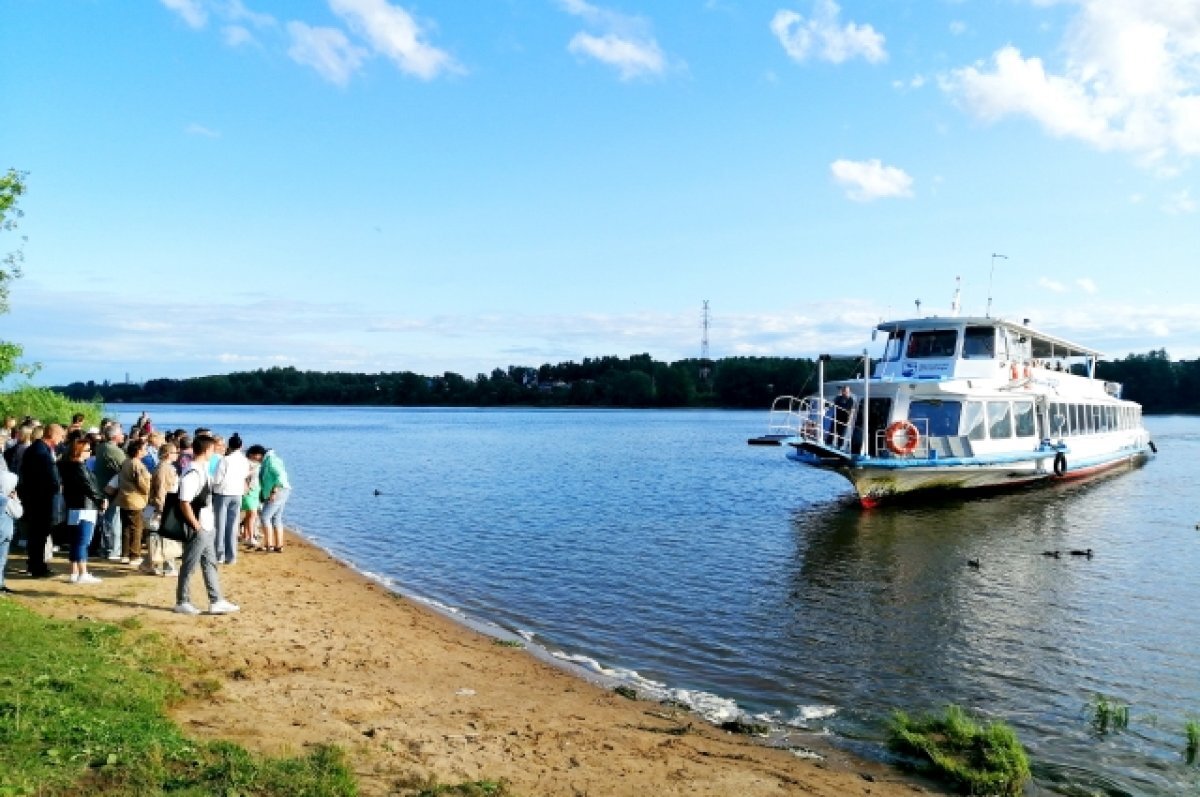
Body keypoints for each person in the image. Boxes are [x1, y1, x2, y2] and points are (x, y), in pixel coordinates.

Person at [173, 435, 239, 615]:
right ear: (207, 450)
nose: (216, 451)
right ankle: (182, 600)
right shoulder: (192, 472)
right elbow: (184, 502)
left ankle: (216, 600)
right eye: (214, 448)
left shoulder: (201, 469)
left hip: (207, 525)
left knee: (210, 563)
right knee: (189, 564)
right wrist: (196, 526)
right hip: (199, 526)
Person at [17, 423, 65, 578]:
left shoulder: (38, 449)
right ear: (52, 435)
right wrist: (57, 486)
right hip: (39, 499)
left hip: (36, 498)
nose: (61, 439)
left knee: (38, 534)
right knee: (38, 534)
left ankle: (37, 564)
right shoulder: (40, 452)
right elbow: (47, 477)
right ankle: (37, 566)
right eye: (60, 436)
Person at [58, 437, 106, 584]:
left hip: (74, 506)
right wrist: (100, 500)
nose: (90, 452)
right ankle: (83, 573)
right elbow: (89, 487)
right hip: (85, 507)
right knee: (82, 541)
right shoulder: (79, 467)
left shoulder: (67, 466)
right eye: (87, 450)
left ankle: (74, 571)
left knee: (75, 540)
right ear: (79, 452)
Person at [141, 442, 182, 576]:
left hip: (161, 505)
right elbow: (161, 489)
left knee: (159, 538)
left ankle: (149, 564)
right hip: (160, 506)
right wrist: (162, 509)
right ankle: (167, 567)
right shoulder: (164, 468)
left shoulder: (165, 467)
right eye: (175, 452)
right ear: (168, 454)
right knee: (165, 537)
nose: (177, 455)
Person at [212, 433, 250, 565]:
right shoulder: (244, 460)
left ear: (229, 446)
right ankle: (231, 556)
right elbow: (245, 475)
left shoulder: (225, 460)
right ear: (241, 446)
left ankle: (219, 554)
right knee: (232, 526)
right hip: (237, 494)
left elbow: (217, 479)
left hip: (223, 493)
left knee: (219, 525)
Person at [116, 438, 152, 565]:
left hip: (124, 498)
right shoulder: (137, 464)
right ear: (138, 451)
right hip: (135, 499)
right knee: (136, 528)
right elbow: (143, 484)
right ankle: (134, 555)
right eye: (144, 449)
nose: (145, 451)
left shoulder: (126, 461)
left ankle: (125, 554)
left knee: (126, 527)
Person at [93, 425, 126, 560]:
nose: (123, 436)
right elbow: (126, 466)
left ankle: (106, 548)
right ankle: (113, 549)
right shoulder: (114, 450)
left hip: (101, 487)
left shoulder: (101, 447)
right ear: (114, 437)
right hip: (110, 489)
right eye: (121, 434)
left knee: (106, 519)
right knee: (113, 520)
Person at [250, 445, 290, 553]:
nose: (253, 460)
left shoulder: (271, 461)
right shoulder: (270, 459)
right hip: (283, 490)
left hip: (279, 491)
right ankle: (279, 546)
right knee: (276, 518)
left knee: (264, 517)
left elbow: (279, 476)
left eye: (252, 457)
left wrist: (273, 491)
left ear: (257, 455)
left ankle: (269, 545)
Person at [0, 471, 22, 593]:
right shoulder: (6, 500)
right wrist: (16, 499)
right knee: (1, 560)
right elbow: (18, 512)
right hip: (4, 533)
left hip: (4, 533)